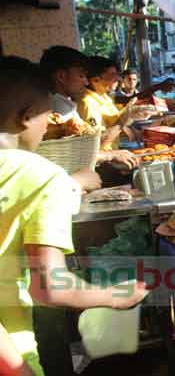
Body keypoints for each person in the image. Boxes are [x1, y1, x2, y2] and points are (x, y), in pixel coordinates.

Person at [0, 56, 149, 375]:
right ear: (27, 116)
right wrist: (118, 296)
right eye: (47, 117)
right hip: (12, 355)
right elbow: (50, 287)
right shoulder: (40, 175)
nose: (49, 126)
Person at [39, 47, 138, 179]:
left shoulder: (67, 105)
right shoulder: (58, 111)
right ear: (62, 76)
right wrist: (111, 155)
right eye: (81, 75)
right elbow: (71, 154)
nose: (86, 81)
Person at [77, 56, 138, 150]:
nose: (118, 79)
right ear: (95, 80)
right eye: (112, 75)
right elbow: (96, 144)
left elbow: (114, 122)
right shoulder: (87, 103)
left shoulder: (104, 97)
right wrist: (126, 115)